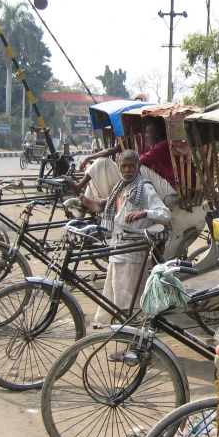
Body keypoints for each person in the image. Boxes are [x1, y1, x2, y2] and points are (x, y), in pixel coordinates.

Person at [79, 149, 171, 325]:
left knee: (131, 294)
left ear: (137, 167)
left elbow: (164, 214)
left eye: (132, 166)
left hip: (133, 248)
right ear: (118, 166)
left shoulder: (144, 188)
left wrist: (144, 213)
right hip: (118, 246)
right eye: (124, 166)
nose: (128, 170)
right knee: (115, 288)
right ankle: (122, 325)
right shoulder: (120, 187)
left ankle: (134, 331)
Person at [68, 120, 177, 201]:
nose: (146, 136)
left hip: (168, 188)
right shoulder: (155, 144)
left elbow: (140, 162)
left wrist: (124, 181)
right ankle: (84, 196)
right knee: (101, 165)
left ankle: (115, 194)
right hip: (156, 182)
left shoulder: (163, 145)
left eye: (148, 133)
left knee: (138, 167)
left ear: (156, 134)